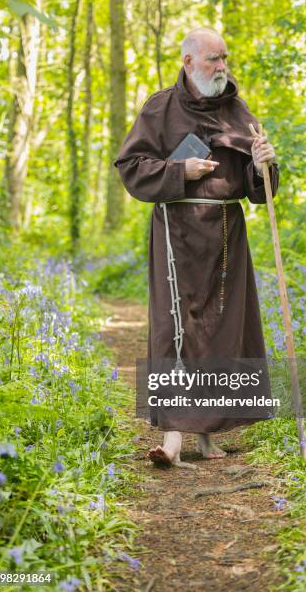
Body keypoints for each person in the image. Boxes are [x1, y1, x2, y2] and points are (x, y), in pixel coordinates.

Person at [115, 28, 279, 469]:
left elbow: (259, 189)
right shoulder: (159, 108)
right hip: (176, 230)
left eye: (225, 58)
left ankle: (207, 436)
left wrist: (264, 165)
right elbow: (131, 167)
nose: (222, 66)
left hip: (227, 233)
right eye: (213, 60)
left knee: (222, 329)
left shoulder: (238, 111)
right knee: (176, 328)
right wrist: (178, 170)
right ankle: (171, 437)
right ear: (188, 62)